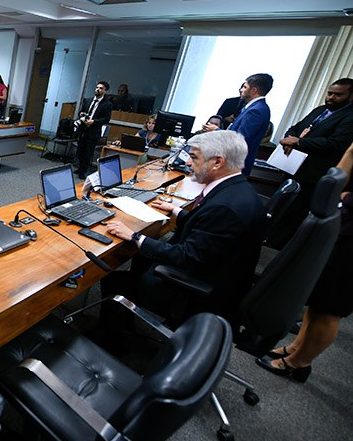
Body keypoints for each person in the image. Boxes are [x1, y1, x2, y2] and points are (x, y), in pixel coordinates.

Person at [101, 130, 267, 331]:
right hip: (216, 275)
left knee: (114, 280)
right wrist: (176, 211)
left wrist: (135, 236)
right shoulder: (238, 190)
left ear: (217, 162)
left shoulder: (225, 207)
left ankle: (111, 339)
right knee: (141, 257)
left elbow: (187, 256)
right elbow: (207, 229)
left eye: (194, 157)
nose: (187, 162)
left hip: (198, 293)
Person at [257, 141, 353, 383]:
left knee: (330, 308)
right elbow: (337, 179)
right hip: (343, 225)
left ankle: (299, 363)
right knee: (317, 298)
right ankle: (296, 347)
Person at [265, 78, 353, 247]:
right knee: (280, 208)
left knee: (295, 214)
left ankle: (276, 247)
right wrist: (290, 138)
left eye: (338, 95)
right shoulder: (320, 110)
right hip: (293, 168)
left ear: (350, 96)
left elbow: (336, 144)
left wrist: (299, 142)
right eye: (329, 93)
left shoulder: (349, 117)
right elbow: (295, 128)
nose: (331, 97)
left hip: (314, 175)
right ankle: (267, 237)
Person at [75, 81, 113, 178]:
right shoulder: (88, 100)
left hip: (93, 131)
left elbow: (106, 119)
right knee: (80, 150)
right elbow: (81, 111)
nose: (98, 89)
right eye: (97, 87)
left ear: (105, 91)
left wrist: (94, 121)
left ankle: (83, 171)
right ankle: (80, 167)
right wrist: (81, 115)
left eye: (101, 88)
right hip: (83, 129)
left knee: (88, 152)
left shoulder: (107, 104)